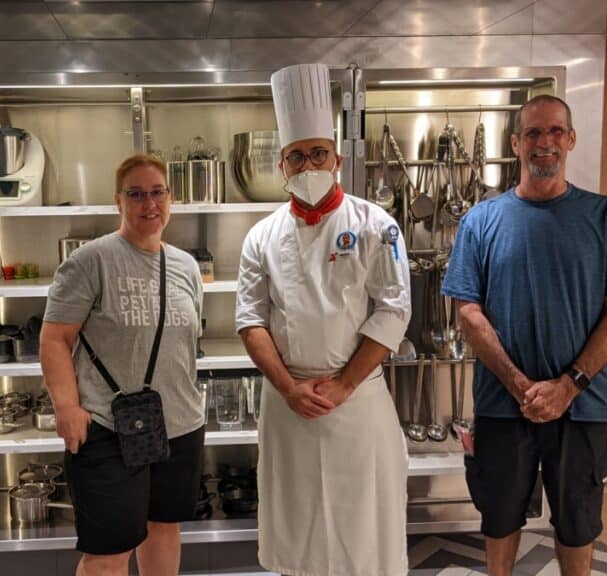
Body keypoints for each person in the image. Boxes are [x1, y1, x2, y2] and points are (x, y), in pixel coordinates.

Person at [441, 95, 607, 576]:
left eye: (555, 131)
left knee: (578, 521)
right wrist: (520, 385)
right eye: (533, 133)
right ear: (516, 144)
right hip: (502, 403)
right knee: (499, 516)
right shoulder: (481, 221)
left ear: (571, 139)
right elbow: (468, 313)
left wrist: (568, 385)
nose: (545, 143)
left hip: (583, 405)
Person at [235, 63, 412, 576]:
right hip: (287, 406)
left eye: (317, 153)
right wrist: (291, 388)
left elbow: (394, 309)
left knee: (364, 529)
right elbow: (251, 321)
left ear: (336, 157)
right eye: (297, 156)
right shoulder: (260, 237)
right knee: (298, 527)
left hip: (358, 402)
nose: (308, 163)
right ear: (282, 165)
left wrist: (342, 385)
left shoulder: (376, 224)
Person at [40, 153, 205, 576]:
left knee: (163, 528)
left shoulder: (186, 266)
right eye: (136, 194)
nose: (149, 203)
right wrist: (66, 408)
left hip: (179, 424)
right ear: (118, 201)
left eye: (157, 192)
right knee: (108, 553)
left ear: (171, 198)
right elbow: (55, 338)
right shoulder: (90, 261)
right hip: (107, 428)